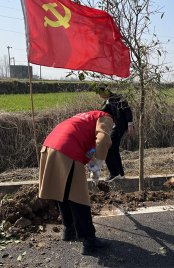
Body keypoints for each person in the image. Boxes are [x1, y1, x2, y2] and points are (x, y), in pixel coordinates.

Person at [38, 104, 116, 254]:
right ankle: (89, 240)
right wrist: (99, 163)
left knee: (62, 191)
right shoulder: (105, 116)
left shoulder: (85, 117)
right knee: (78, 197)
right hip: (67, 150)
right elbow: (103, 139)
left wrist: (92, 164)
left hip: (50, 147)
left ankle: (69, 229)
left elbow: (89, 148)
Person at [96, 84, 134, 182]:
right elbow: (104, 112)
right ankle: (120, 174)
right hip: (116, 127)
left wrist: (130, 124)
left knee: (107, 147)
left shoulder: (118, 98)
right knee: (114, 149)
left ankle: (114, 173)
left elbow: (127, 110)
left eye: (100, 93)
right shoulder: (108, 101)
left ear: (105, 91)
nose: (100, 96)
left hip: (120, 127)